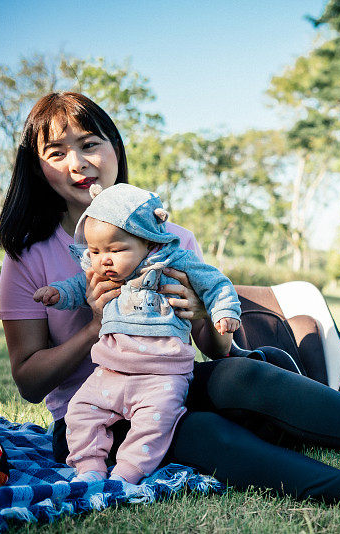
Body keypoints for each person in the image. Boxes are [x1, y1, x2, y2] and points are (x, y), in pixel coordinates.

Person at [0, 92, 340, 521]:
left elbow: (217, 351)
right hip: (95, 415)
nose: (79, 163)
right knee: (200, 433)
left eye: (91, 144)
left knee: (243, 375)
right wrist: (91, 328)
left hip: (164, 381)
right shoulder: (28, 256)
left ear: (115, 149)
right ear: (39, 167)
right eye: (58, 152)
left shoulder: (173, 238)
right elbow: (28, 381)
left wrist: (203, 315)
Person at [33, 183, 241, 484]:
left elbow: (217, 283)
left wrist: (223, 312)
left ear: (147, 242)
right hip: (111, 371)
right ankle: (89, 468)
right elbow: (76, 286)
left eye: (116, 250)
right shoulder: (99, 272)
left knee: (154, 425)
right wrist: (57, 293)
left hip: (162, 375)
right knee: (79, 413)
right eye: (95, 250)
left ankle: (127, 473)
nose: (104, 259)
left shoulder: (173, 261)